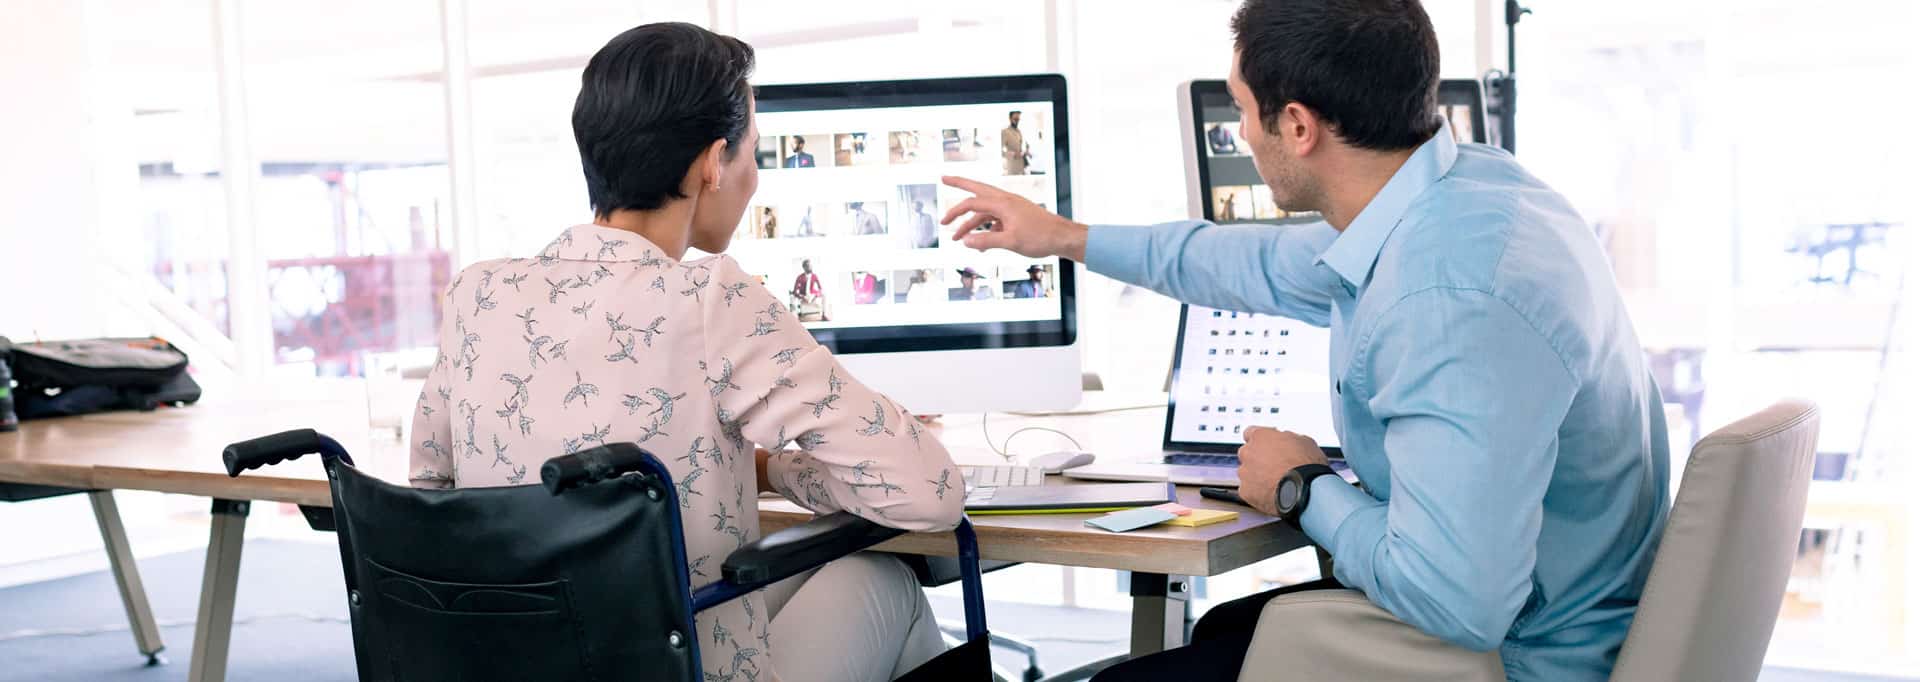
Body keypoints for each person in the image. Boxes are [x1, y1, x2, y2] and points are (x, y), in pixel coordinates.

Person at [937, 1, 1669, 680]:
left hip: (1520, 659)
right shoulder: (1464, 193)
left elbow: (1458, 603)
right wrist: (1063, 238)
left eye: (1243, 113)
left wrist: (1302, 487)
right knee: (1223, 628)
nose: (1242, 134)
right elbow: (1245, 263)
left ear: (1297, 127)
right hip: (1560, 614)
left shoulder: (1447, 298)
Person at [409, 23, 962, 682]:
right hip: (684, 665)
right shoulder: (708, 299)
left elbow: (431, 490)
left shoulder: (480, 294)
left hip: (528, 661)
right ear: (712, 162)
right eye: (752, 153)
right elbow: (928, 494)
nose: (754, 176)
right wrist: (783, 472)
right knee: (884, 579)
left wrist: (752, 469)